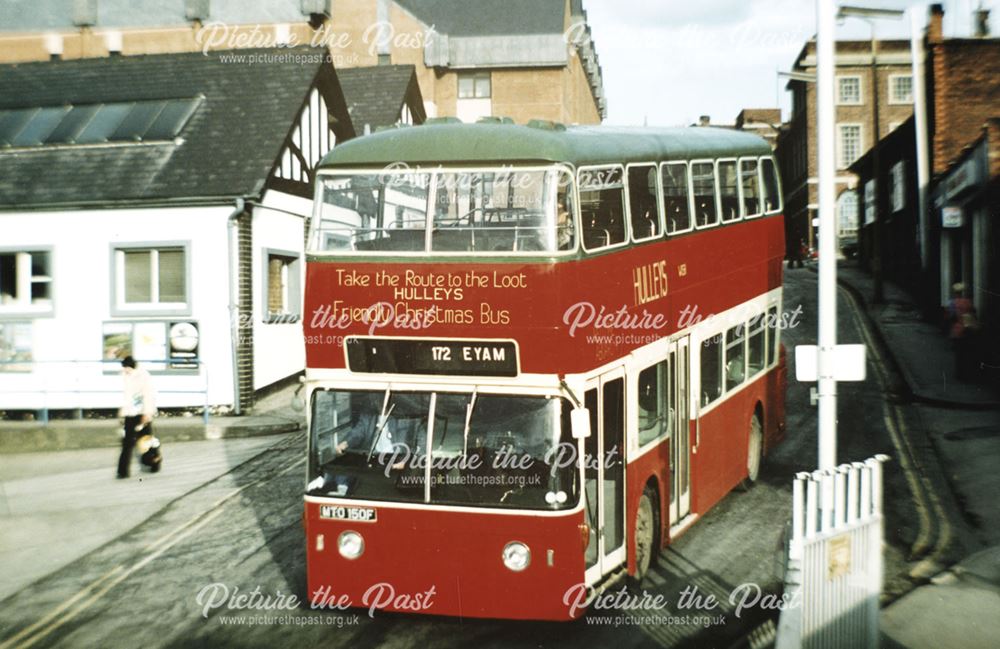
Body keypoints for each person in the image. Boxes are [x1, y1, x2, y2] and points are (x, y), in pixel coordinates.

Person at [117, 356, 156, 479]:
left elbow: (148, 395)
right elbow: (125, 397)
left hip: (142, 413)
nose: (125, 371)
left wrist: (147, 413)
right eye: (124, 368)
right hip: (130, 413)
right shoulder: (125, 376)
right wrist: (122, 413)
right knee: (127, 443)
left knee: (146, 441)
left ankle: (154, 463)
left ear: (131, 366)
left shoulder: (144, 376)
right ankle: (122, 471)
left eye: (127, 368)